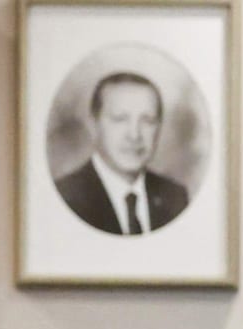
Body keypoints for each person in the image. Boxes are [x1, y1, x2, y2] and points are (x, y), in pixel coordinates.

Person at [53, 69, 190, 235]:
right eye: (119, 119)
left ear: (159, 127)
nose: (134, 135)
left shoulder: (175, 197)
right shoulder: (65, 197)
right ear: (93, 125)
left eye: (148, 120)